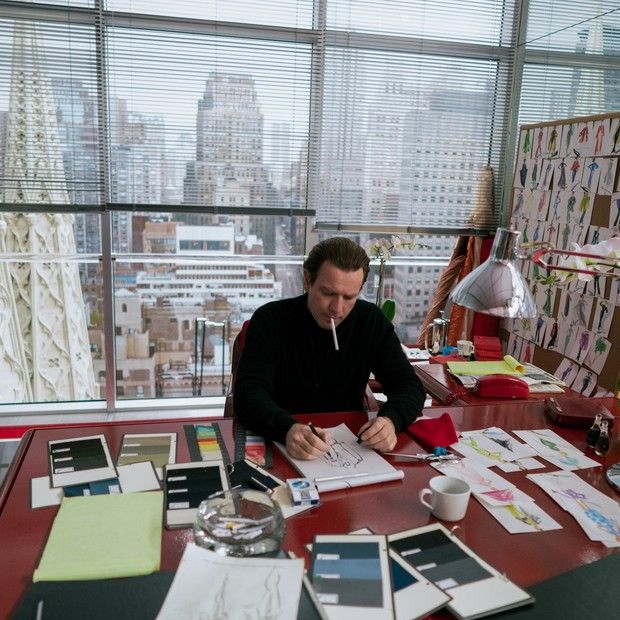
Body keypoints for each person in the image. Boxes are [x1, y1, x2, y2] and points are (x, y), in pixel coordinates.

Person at [234, 237, 426, 460]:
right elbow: (248, 394)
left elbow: (409, 385)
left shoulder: (370, 321)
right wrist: (287, 429)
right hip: (278, 442)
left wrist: (391, 420)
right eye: (328, 293)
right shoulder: (270, 320)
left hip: (349, 446)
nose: (337, 308)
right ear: (307, 280)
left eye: (349, 297)